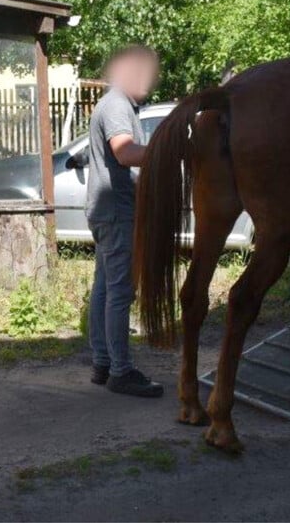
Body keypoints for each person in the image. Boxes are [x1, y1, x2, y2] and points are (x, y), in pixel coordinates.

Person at [85, 45, 163, 398]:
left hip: (106, 210)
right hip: (116, 212)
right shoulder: (116, 105)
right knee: (119, 292)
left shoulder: (112, 103)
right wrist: (168, 150)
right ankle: (120, 371)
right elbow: (125, 151)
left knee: (104, 288)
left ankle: (103, 363)